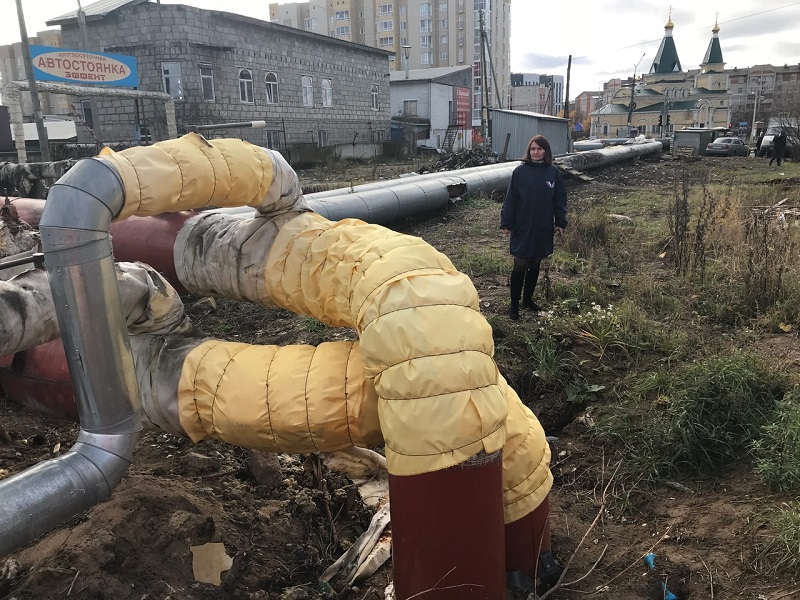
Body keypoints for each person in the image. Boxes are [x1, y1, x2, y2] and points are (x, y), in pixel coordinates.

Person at [500, 135, 568, 320]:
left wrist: (560, 221)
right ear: (528, 151)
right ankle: (514, 305)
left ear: (546, 151)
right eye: (532, 149)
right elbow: (511, 198)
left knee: (536, 261)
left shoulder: (553, 173)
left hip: (542, 225)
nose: (536, 152)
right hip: (523, 224)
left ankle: (528, 300)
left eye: (539, 149)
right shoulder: (520, 172)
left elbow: (559, 199)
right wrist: (506, 222)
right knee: (520, 262)